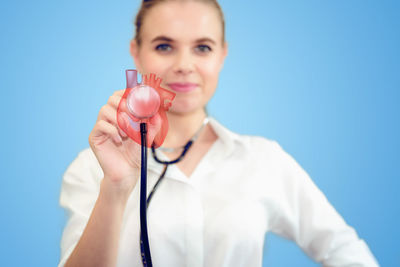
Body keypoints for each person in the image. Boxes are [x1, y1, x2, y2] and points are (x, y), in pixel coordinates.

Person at [58, 0, 379, 266]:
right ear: (136, 52)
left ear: (222, 55)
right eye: (164, 45)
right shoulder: (92, 168)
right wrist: (115, 187)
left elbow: (345, 251)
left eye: (202, 47)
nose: (184, 64)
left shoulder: (263, 159)